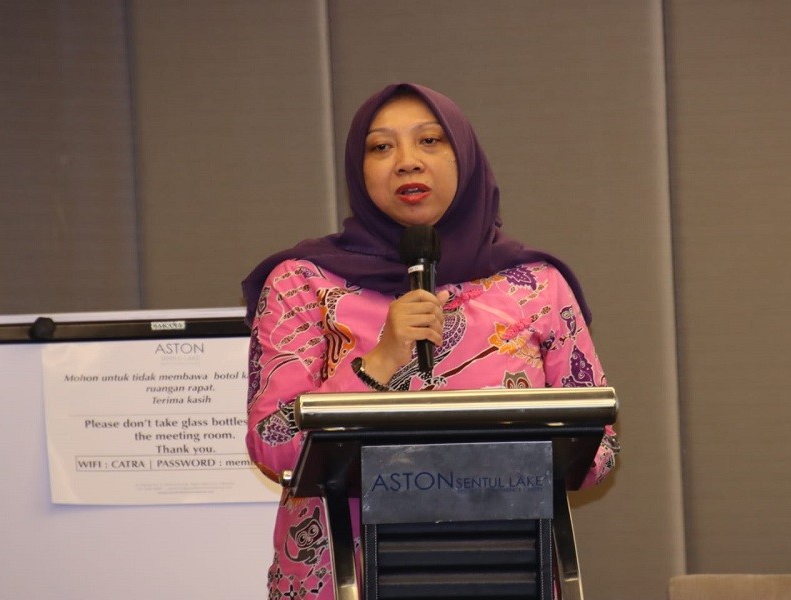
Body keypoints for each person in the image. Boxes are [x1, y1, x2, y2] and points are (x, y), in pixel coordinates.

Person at [241, 82, 620, 599]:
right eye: (381, 146)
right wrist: (379, 362)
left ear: (464, 156)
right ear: (359, 169)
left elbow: (600, 450)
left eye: (430, 141)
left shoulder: (536, 285)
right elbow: (272, 446)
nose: (407, 162)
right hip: (344, 576)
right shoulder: (301, 283)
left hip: (502, 568)